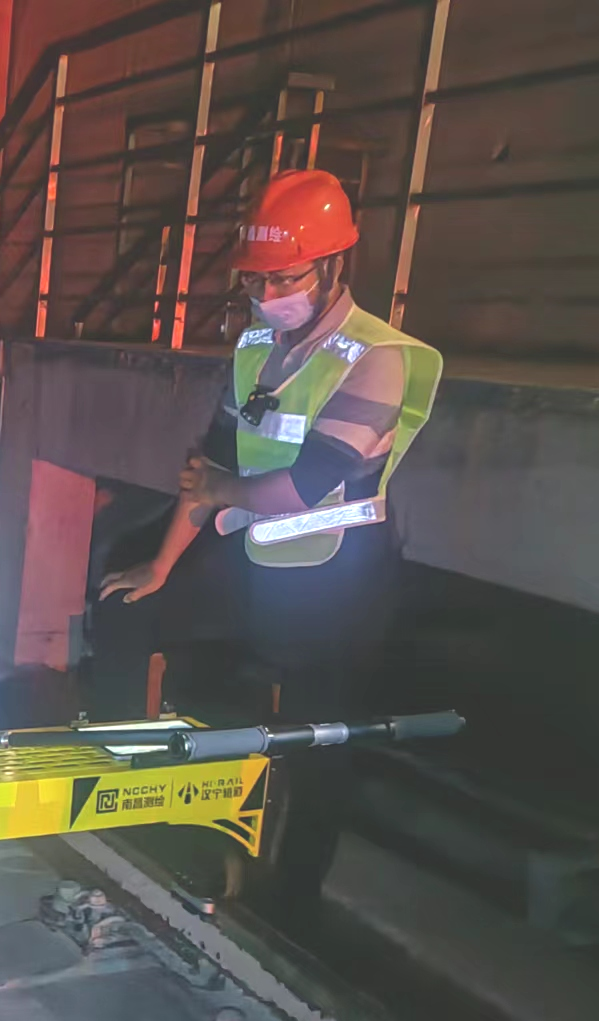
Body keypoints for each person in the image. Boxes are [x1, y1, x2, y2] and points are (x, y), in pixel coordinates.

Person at [90, 169, 443, 921]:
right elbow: (208, 466)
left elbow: (305, 487)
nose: (267, 293)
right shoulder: (257, 346)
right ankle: (134, 811)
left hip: (339, 581)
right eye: (256, 279)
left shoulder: (376, 357)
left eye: (284, 277)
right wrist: (160, 566)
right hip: (255, 563)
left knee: (320, 739)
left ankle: (293, 904)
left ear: (333, 266)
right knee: (126, 612)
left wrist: (222, 489)